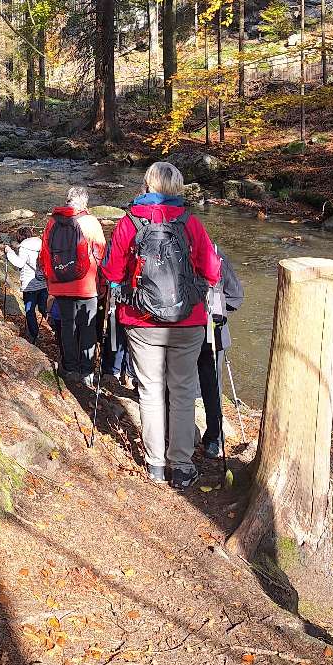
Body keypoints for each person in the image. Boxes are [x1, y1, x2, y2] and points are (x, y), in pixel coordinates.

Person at [101, 160, 221, 491]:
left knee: (150, 390)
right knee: (183, 392)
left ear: (148, 185)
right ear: (178, 188)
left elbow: (111, 273)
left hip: (141, 321)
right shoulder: (191, 222)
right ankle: (181, 466)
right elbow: (212, 271)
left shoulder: (130, 222)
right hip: (189, 321)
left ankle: (155, 464)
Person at [39, 186, 106, 382]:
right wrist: (102, 283)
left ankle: (69, 368)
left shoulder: (52, 222)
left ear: (67, 200)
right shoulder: (91, 222)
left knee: (67, 326)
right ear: (85, 202)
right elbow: (100, 252)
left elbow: (45, 253)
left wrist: (50, 278)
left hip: (60, 283)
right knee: (87, 327)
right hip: (87, 285)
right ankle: (86, 371)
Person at [198, 244, 244, 459]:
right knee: (212, 386)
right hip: (211, 331)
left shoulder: (171, 248)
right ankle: (214, 440)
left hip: (186, 330)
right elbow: (235, 297)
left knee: (184, 383)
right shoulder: (216, 253)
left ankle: (208, 437)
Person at [4, 234, 48, 345]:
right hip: (44, 284)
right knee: (45, 309)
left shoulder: (24, 247)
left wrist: (9, 252)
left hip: (30, 286)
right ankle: (57, 329)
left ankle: (35, 335)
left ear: (20, 238)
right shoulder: (42, 244)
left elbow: (19, 263)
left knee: (30, 311)